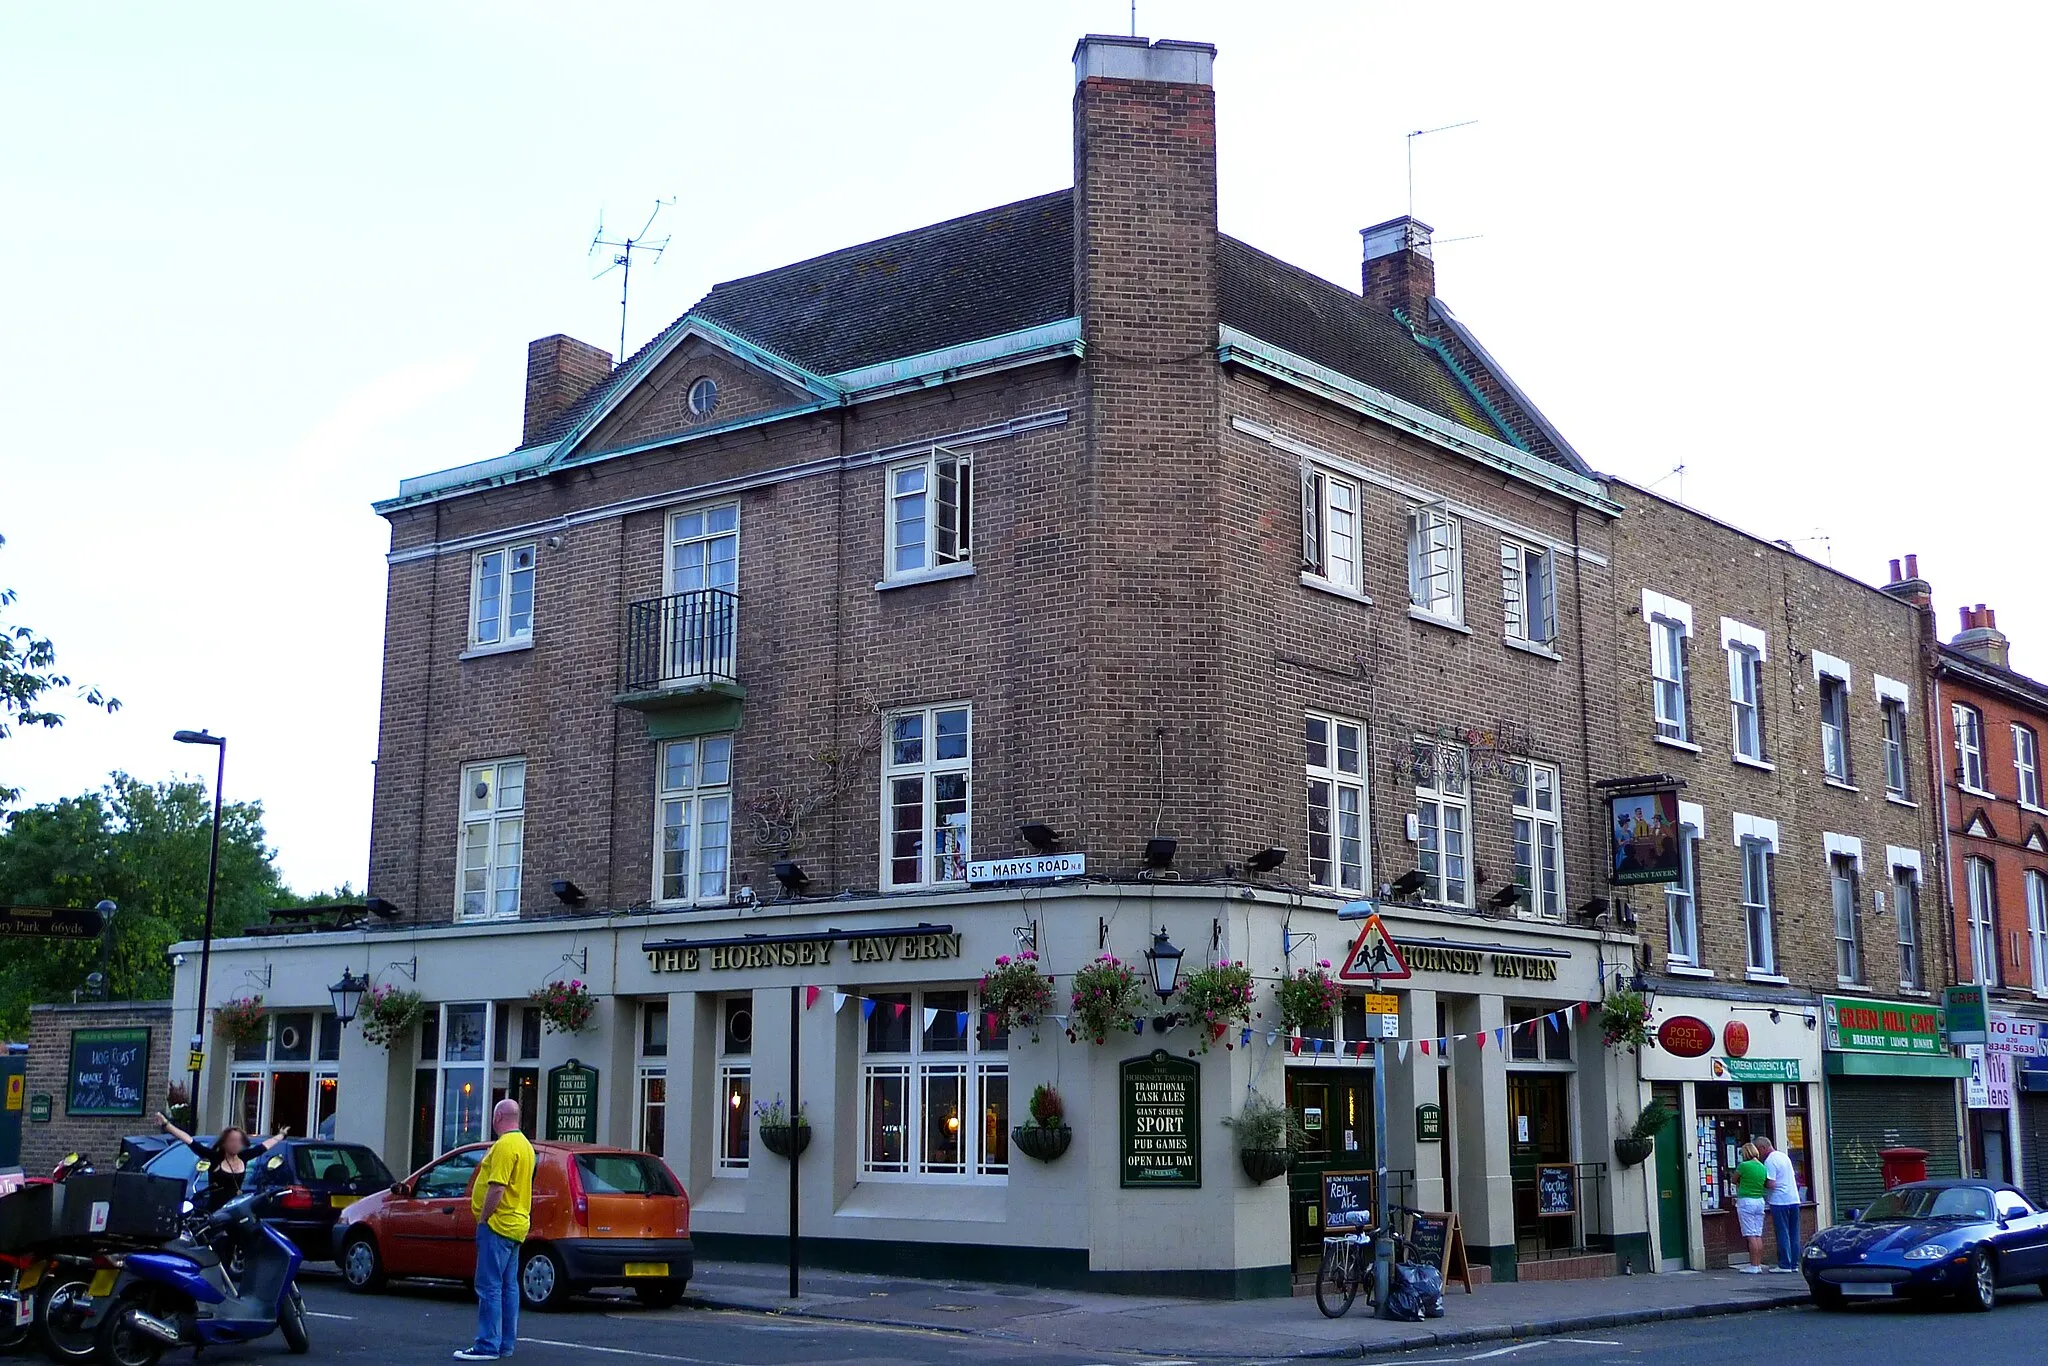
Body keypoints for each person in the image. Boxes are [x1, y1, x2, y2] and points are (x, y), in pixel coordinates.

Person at [456, 1099, 535, 1362]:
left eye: (493, 1116)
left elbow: (497, 1187)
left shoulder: (504, 1146)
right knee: (508, 1287)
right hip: (517, 1223)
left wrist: (483, 1218)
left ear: (499, 1116)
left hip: (498, 1224)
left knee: (489, 1285)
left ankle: (487, 1344)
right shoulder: (526, 1145)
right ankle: (505, 1344)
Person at [155, 1112, 288, 1214]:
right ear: (224, 1142)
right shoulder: (215, 1157)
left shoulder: (244, 1157)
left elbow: (264, 1146)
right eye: (232, 1140)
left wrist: (280, 1135)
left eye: (238, 1141)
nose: (236, 1144)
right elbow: (189, 1141)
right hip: (216, 1213)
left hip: (237, 1212)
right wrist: (167, 1124)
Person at [1757, 1136, 1802, 1271]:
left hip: (1780, 1201)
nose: (1758, 1154)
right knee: (1794, 1233)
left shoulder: (1770, 1161)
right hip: (1794, 1199)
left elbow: (1771, 1183)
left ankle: (1784, 1264)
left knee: (1782, 1232)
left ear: (1763, 1148)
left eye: (1759, 1150)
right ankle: (1794, 1264)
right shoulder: (1784, 1156)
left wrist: (1761, 1184)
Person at [1732, 1141, 1769, 1273]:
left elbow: (1733, 1179)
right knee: (1757, 1234)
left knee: (1750, 1235)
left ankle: (1753, 1266)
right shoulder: (1762, 1167)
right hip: (1760, 1201)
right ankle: (1758, 1264)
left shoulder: (1743, 1166)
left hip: (1746, 1201)